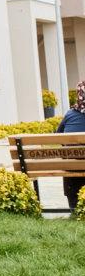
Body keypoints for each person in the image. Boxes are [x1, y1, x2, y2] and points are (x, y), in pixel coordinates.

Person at [56, 81, 85, 212]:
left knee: (70, 159)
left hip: (72, 167)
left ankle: (74, 207)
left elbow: (58, 137)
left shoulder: (70, 114)